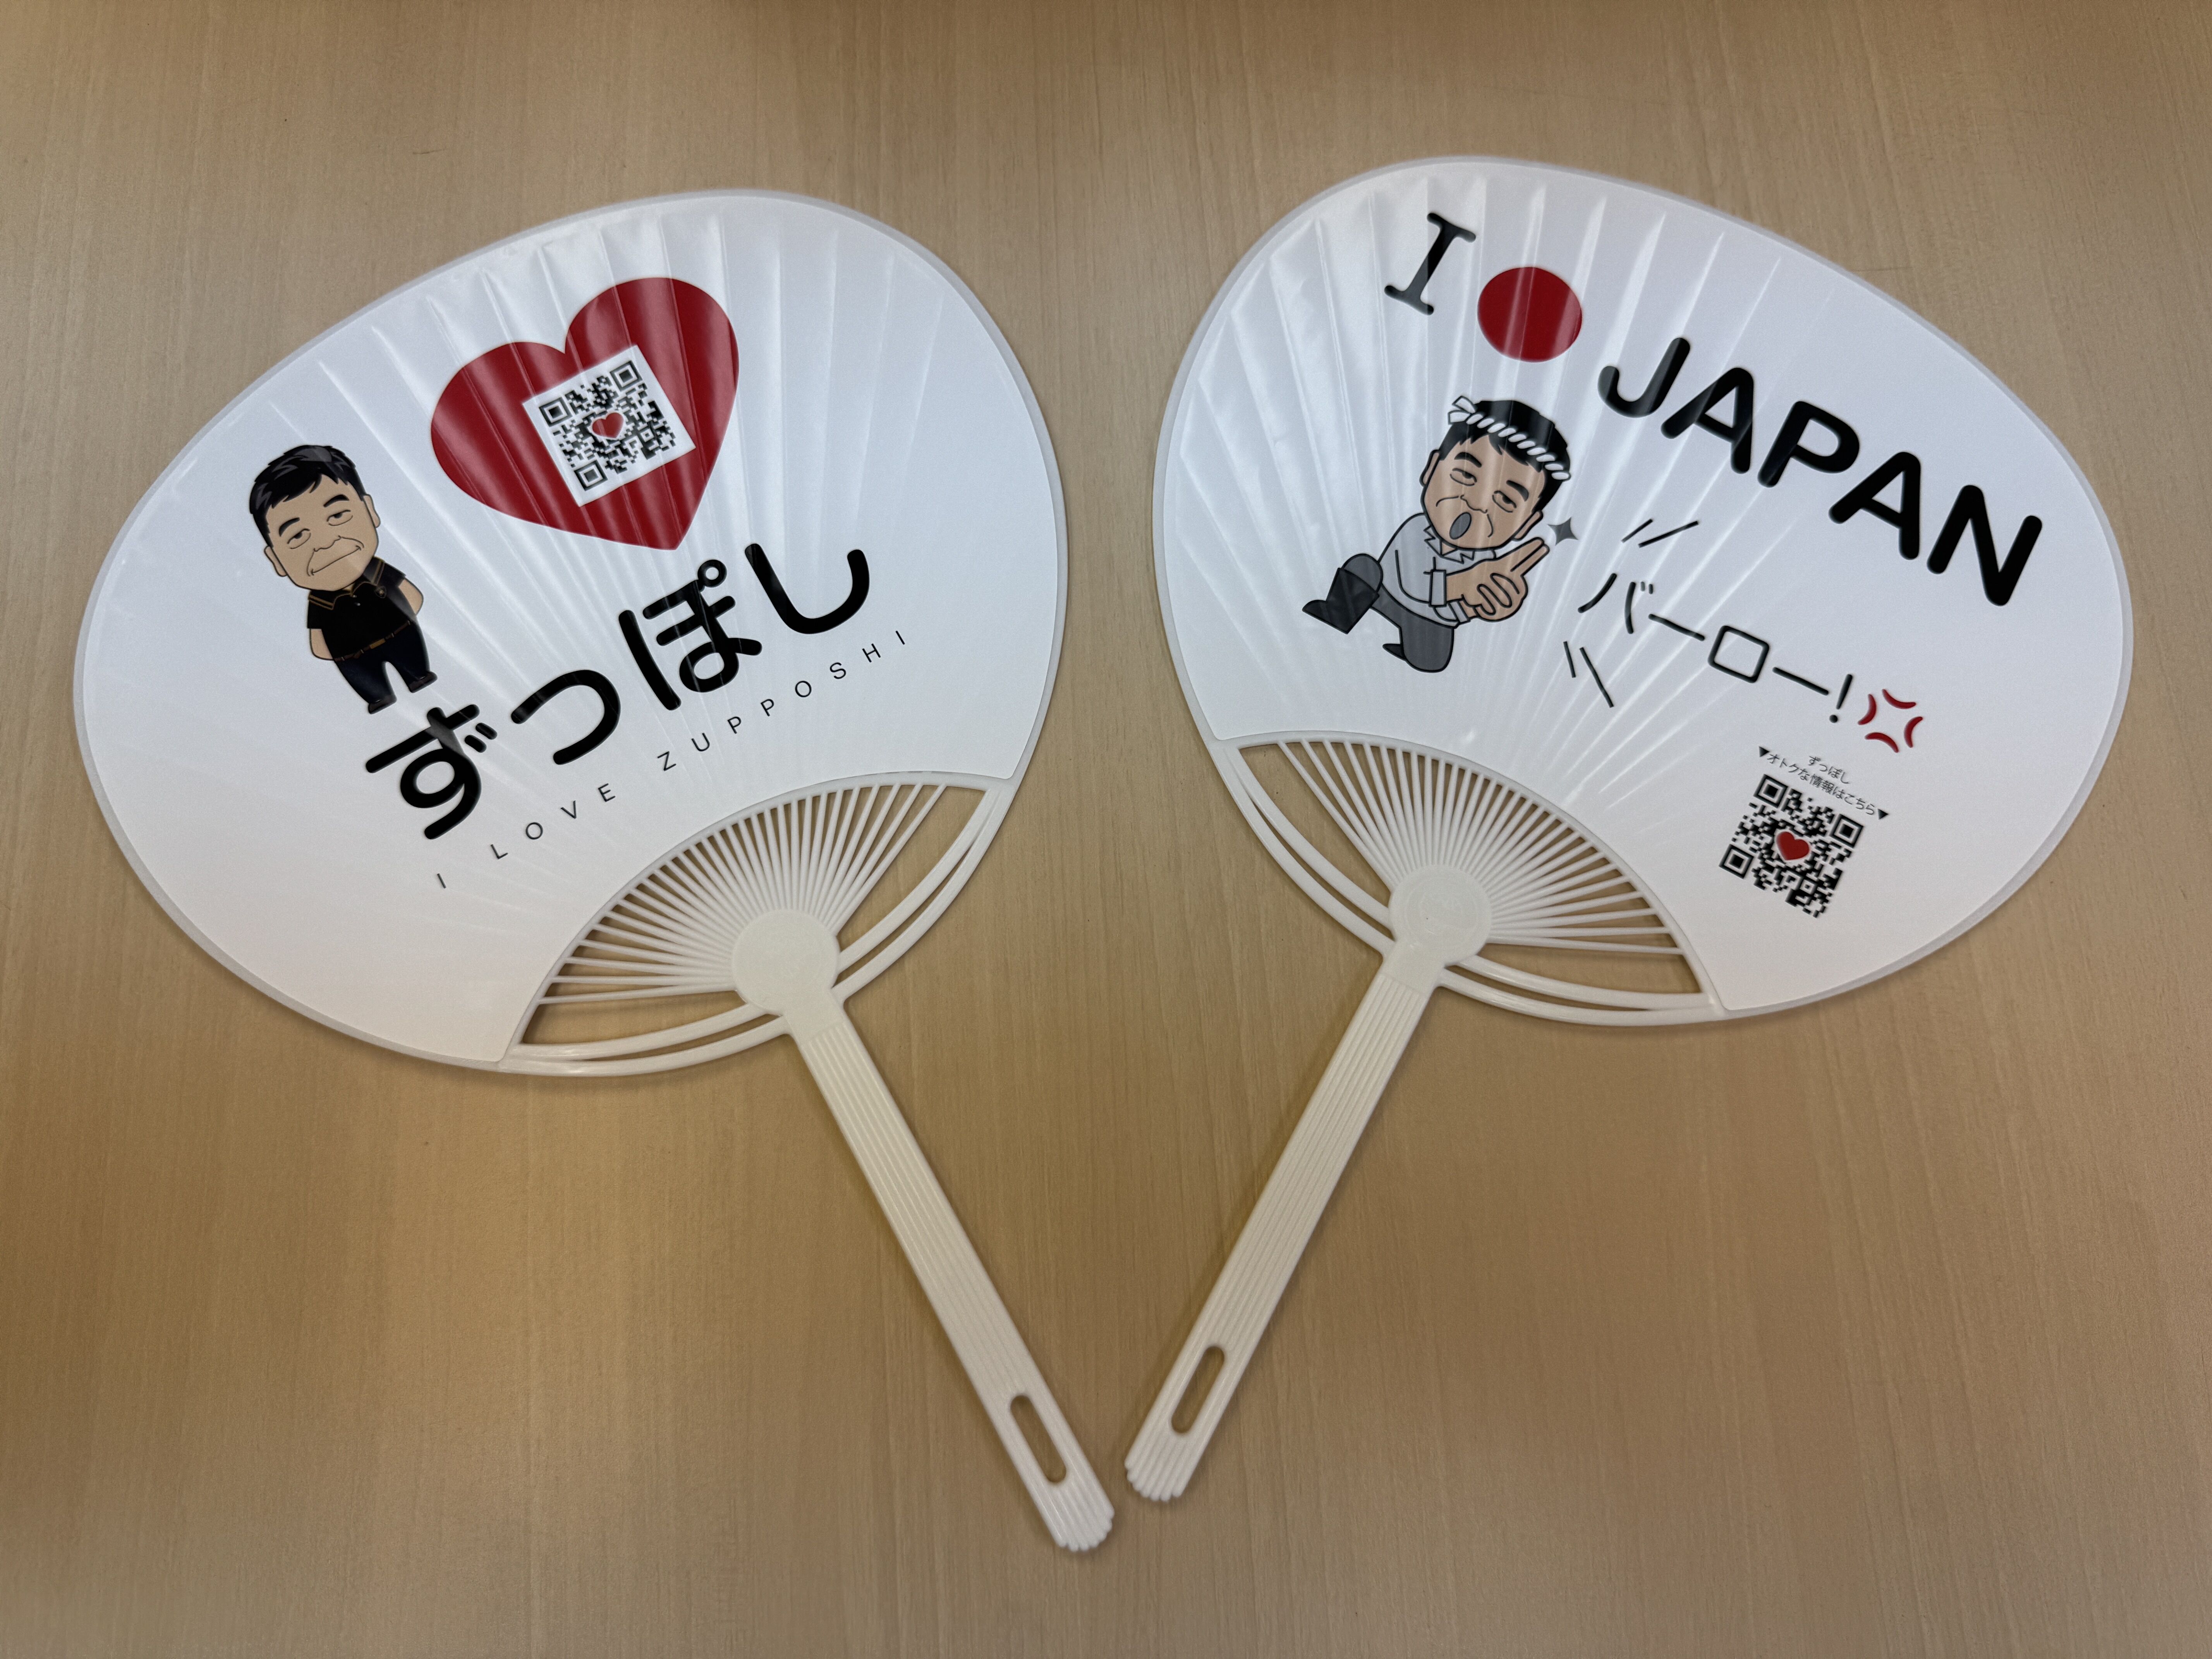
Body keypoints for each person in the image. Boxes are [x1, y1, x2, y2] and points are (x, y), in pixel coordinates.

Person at [1304, 397, 1571, 673]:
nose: (1476, 503)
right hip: (1382, 594)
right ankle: (1338, 615)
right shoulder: (1416, 529)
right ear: (1432, 469)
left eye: (1505, 500)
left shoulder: (1487, 564)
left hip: (1426, 619)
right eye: (1465, 476)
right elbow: (1413, 584)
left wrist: (1484, 606)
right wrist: (1464, 584)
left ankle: (1408, 650)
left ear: (1526, 525)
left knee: (1433, 661)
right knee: (1363, 567)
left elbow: (1457, 612)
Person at [249, 444, 436, 712]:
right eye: (298, 536)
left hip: (401, 634)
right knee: (366, 678)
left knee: (412, 658)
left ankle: (418, 676)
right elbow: (318, 639)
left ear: (370, 510)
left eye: (337, 515)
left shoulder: (379, 572)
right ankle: (378, 697)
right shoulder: (320, 602)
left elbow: (412, 596)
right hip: (353, 656)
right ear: (276, 560)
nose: (326, 542)